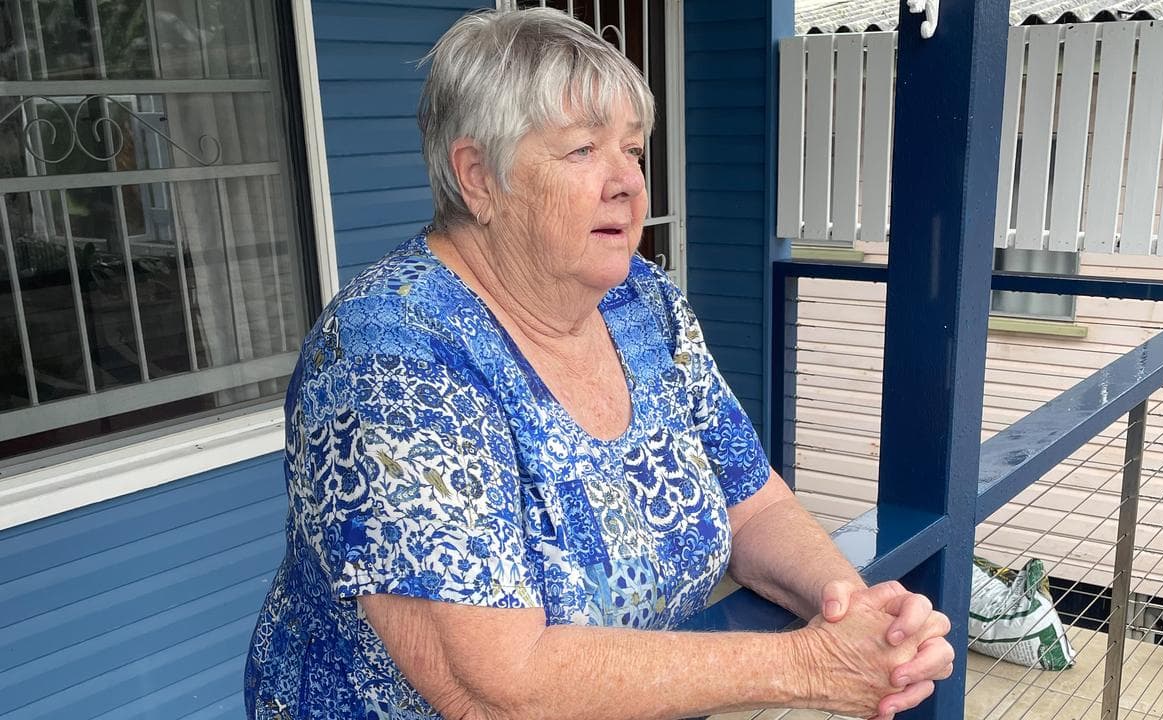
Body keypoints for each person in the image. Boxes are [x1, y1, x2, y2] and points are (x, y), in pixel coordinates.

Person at [244, 8, 954, 720]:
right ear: (478, 178)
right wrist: (809, 666)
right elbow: (499, 687)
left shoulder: (641, 304)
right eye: (583, 150)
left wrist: (859, 616)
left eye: (634, 150)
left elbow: (754, 503)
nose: (628, 183)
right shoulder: (390, 355)